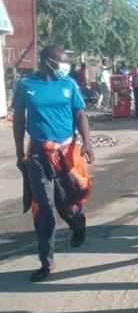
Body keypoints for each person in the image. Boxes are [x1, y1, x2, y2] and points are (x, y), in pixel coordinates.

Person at [12, 45, 95, 282]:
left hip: (68, 153)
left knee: (69, 200)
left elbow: (80, 114)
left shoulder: (69, 85)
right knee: (44, 207)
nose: (65, 65)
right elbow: (19, 120)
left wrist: (87, 143)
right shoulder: (26, 85)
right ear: (48, 62)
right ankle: (46, 262)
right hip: (38, 155)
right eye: (62, 61)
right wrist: (20, 154)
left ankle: (77, 223)